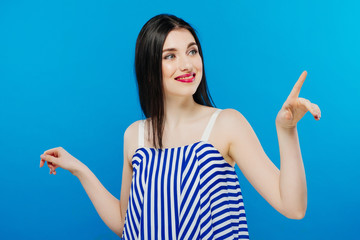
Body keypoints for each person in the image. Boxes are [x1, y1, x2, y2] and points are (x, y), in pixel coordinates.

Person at [39, 14, 321, 239]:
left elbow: (293, 206)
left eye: (192, 51)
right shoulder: (134, 135)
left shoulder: (226, 124)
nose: (187, 64)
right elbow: (128, 224)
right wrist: (79, 169)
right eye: (170, 56)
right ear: (149, 69)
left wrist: (286, 131)